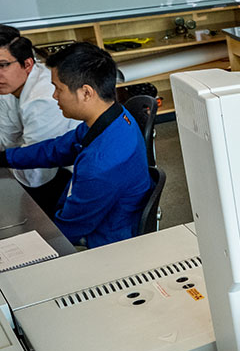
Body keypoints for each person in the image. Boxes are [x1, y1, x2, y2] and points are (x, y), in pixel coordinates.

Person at [0, 42, 151, 248]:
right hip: (97, 215)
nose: (54, 96)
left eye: (58, 89)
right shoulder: (112, 117)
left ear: (86, 93)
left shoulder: (100, 165)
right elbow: (57, 148)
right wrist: (5, 158)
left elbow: (65, 234)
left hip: (106, 243)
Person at [0, 26, 79, 216]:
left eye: (2, 65)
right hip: (42, 169)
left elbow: (34, 175)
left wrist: (11, 156)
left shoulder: (44, 98)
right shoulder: (10, 85)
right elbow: (5, 140)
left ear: (27, 64)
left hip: (67, 176)